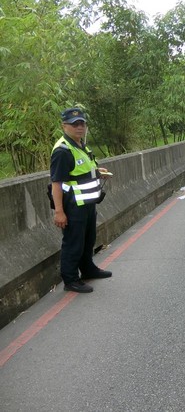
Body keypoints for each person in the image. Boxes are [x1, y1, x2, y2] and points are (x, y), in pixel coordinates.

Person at [50, 107, 112, 293]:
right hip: (73, 205)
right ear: (64, 125)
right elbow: (57, 183)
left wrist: (98, 173)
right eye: (74, 124)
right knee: (74, 242)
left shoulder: (81, 145)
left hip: (87, 203)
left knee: (88, 239)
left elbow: (80, 172)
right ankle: (70, 280)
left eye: (82, 124)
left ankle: (88, 269)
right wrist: (59, 211)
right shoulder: (62, 151)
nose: (79, 127)